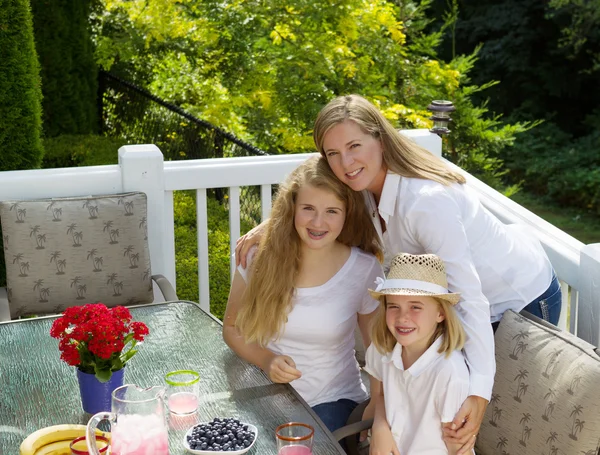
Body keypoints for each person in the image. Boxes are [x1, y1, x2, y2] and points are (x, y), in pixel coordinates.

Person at [236, 94, 561, 454]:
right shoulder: (362, 186)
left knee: (479, 422)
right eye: (333, 153)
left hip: (517, 295)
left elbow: (469, 297)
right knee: (432, 413)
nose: (346, 162)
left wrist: (480, 390)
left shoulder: (424, 202)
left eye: (355, 146)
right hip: (449, 303)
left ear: (380, 138)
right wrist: (274, 222)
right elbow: (311, 188)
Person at [222, 155, 384, 433]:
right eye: (308, 208)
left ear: (347, 213)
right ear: (291, 208)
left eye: (332, 211)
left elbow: (379, 350)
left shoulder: (363, 268)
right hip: (264, 395)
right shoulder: (258, 255)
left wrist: (378, 410)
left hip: (333, 401)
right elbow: (231, 327)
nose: (318, 222)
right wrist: (267, 359)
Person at [365, 252, 470, 455]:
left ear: (441, 313)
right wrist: (380, 425)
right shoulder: (382, 349)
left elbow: (458, 449)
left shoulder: (449, 373)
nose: (403, 317)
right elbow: (379, 394)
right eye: (394, 306)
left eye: (415, 307)